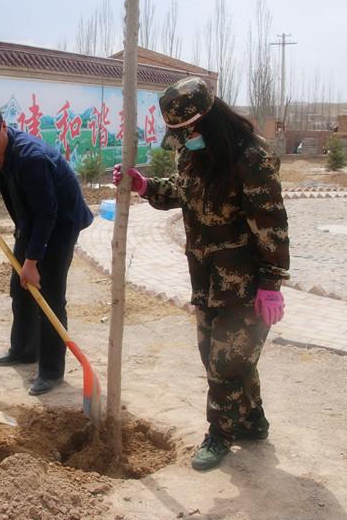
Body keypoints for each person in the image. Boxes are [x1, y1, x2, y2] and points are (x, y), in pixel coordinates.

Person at [114, 77, 289, 471]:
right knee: (222, 354)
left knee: (225, 362)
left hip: (244, 283)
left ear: (208, 119)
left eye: (187, 130)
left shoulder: (250, 158)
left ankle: (219, 435)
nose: (182, 139)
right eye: (177, 132)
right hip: (206, 278)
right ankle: (251, 420)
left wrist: (272, 283)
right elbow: (184, 192)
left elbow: (272, 224)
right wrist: (146, 187)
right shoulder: (195, 153)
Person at [0, 102, 93, 396]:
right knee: (20, 289)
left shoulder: (31, 158)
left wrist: (32, 261)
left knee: (49, 296)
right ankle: (24, 350)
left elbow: (48, 215)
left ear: (3, 128)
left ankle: (51, 370)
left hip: (59, 225)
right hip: (31, 222)